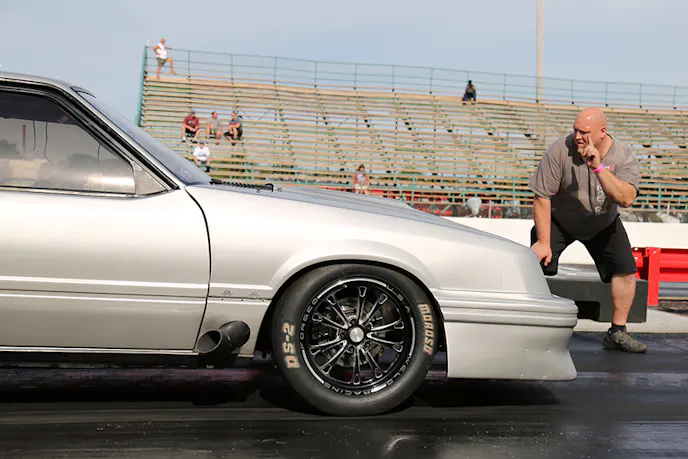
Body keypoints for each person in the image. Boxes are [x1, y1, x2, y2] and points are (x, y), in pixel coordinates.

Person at [528, 107, 646, 353]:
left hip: (602, 222)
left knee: (625, 272)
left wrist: (599, 168)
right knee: (534, 263)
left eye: (584, 132)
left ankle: (617, 332)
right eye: (575, 130)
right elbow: (542, 196)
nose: (578, 136)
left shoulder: (623, 156)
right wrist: (543, 240)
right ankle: (530, 326)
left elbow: (626, 198)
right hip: (560, 220)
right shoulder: (560, 149)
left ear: (602, 132)